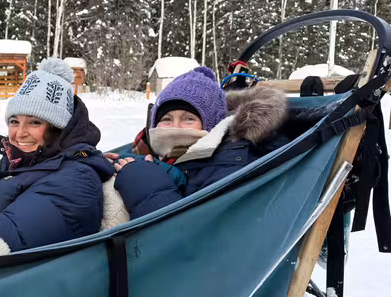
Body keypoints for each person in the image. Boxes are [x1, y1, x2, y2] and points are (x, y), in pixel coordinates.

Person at [0, 58, 114, 251]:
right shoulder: (18, 160)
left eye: (34, 122)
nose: (19, 133)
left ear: (57, 129)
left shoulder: (76, 179)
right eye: (14, 121)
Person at [113, 66, 288, 220]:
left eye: (188, 119)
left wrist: (145, 184)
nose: (175, 127)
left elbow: (188, 235)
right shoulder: (143, 150)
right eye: (166, 119)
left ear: (211, 125)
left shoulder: (229, 165)